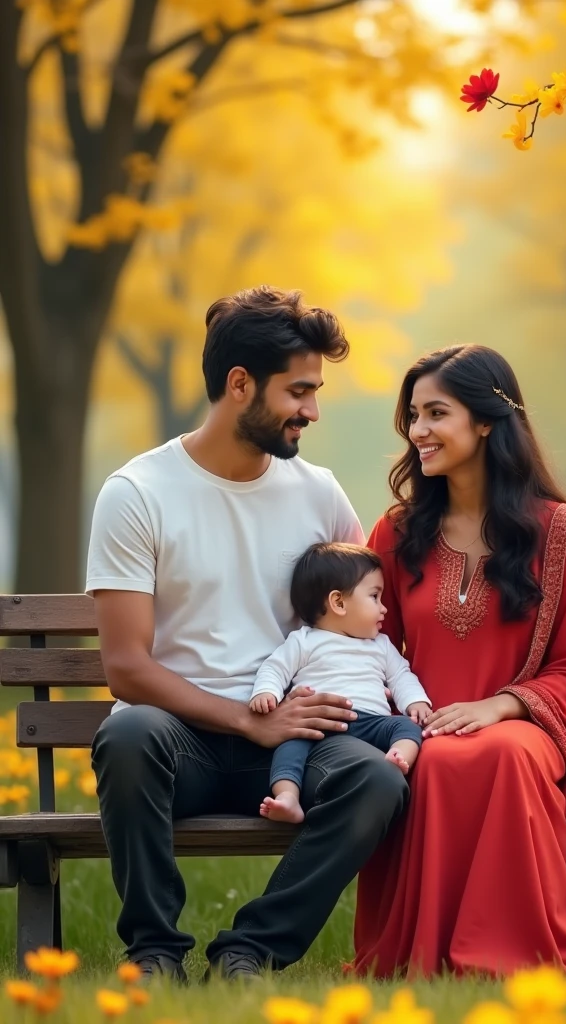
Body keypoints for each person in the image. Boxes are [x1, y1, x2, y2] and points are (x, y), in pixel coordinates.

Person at [86, 286, 409, 983]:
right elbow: (126, 668)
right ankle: (155, 953)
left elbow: (366, 609)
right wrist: (243, 718)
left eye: (317, 391)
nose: (312, 411)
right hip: (184, 743)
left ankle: (250, 950)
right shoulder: (137, 493)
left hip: (295, 742)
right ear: (239, 385)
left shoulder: (318, 492)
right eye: (299, 391)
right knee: (128, 734)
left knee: (374, 783)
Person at [353, 344, 566, 978]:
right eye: (412, 416)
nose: (418, 432)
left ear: (487, 421)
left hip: (532, 730)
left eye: (436, 413)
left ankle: (511, 955)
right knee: (438, 758)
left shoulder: (558, 533)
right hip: (425, 728)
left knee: (503, 750)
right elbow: (363, 645)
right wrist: (404, 721)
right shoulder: (397, 533)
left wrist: (499, 706)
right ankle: (433, 956)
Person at [249, 542, 432, 823]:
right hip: (316, 725)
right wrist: (267, 692)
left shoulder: (380, 645)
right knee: (289, 746)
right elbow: (275, 668)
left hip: (372, 722)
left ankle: (397, 759)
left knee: (407, 726)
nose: (384, 609)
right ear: (338, 602)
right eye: (375, 597)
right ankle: (287, 797)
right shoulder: (304, 640)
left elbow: (401, 676)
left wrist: (415, 701)